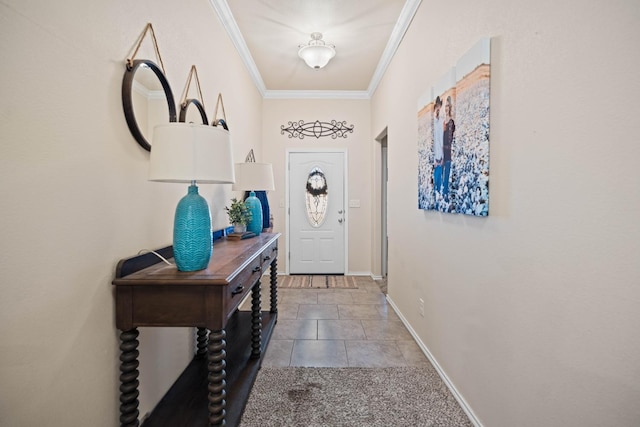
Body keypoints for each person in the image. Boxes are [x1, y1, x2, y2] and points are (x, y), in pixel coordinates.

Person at [442, 95, 455, 199]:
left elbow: (449, 140)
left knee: (446, 177)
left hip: (447, 154)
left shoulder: (451, 122)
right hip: (440, 154)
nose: (446, 108)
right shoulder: (442, 122)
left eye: (448, 106)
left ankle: (445, 195)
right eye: (445, 106)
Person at [432, 96, 444, 198]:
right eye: (437, 109)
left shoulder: (440, 122)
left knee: (440, 177)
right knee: (435, 178)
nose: (438, 111)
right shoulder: (433, 123)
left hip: (440, 155)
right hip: (435, 157)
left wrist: (442, 156)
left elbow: (441, 140)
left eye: (439, 109)